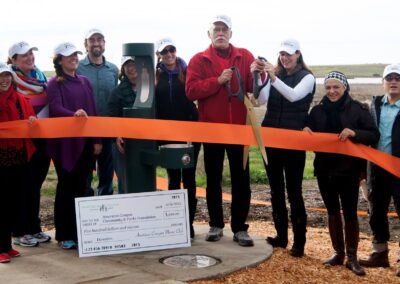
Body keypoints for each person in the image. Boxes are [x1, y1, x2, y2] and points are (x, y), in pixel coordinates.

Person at [186, 15, 255, 246]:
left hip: (239, 131)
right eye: (216, 29)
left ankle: (239, 228)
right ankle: (216, 225)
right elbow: (191, 91)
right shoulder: (198, 60)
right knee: (213, 179)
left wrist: (261, 73)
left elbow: (254, 87)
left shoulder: (245, 56)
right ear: (209, 34)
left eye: (224, 29)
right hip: (211, 131)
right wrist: (216, 81)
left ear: (231, 34)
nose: (220, 33)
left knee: (241, 180)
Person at [304, 71, 379, 276]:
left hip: (349, 171)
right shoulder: (317, 111)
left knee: (350, 211)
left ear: (345, 88)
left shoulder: (358, 110)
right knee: (331, 211)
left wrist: (355, 133)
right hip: (324, 170)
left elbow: (374, 135)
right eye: (328, 87)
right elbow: (308, 130)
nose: (332, 91)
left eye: (336, 87)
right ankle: (338, 253)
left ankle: (352, 257)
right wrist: (306, 130)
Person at [251, 38, 315, 256]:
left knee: (294, 191)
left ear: (298, 54)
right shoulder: (273, 76)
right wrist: (258, 77)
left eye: (288, 54)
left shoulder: (307, 77)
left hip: (293, 140)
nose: (284, 58)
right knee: (275, 190)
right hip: (271, 138)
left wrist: (273, 77)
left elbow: (294, 96)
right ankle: (281, 236)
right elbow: (259, 101)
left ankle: (299, 241)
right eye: (281, 54)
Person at [47, 42, 102, 249]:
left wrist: (97, 139)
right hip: (66, 145)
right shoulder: (54, 83)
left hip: (86, 143)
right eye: (69, 56)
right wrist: (74, 115)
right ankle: (64, 234)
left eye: (75, 55)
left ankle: (80, 232)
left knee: (82, 187)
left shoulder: (85, 81)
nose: (74, 58)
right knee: (66, 188)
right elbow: (55, 107)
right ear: (59, 60)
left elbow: (93, 111)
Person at [155, 37, 200, 240]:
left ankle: (188, 224)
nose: (169, 55)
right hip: (166, 135)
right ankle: (176, 223)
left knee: (189, 179)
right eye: (164, 52)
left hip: (190, 132)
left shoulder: (188, 70)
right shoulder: (155, 75)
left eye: (171, 50)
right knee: (173, 179)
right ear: (159, 55)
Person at [7, 41, 51, 247]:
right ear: (14, 60)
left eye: (31, 53)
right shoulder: (10, 80)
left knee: (35, 185)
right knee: (22, 187)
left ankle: (34, 227)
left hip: (42, 139)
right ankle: (19, 230)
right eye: (24, 55)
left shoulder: (41, 78)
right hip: (21, 143)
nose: (30, 57)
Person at [359, 63, 400, 277]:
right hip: (376, 168)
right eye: (389, 77)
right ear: (383, 82)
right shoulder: (374, 105)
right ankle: (379, 253)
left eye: (397, 77)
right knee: (376, 213)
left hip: (399, 169)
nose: (393, 81)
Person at [0, 62, 36, 263]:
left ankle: (7, 245)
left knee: (14, 201)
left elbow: (32, 125)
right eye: (0, 77)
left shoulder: (21, 99)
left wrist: (32, 122)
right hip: (1, 158)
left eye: (7, 76)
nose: (4, 80)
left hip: (19, 157)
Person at [77, 28, 118, 196]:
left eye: (99, 39)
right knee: (84, 173)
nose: (96, 43)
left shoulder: (113, 69)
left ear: (104, 44)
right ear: (85, 45)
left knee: (107, 172)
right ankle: (86, 209)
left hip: (107, 128)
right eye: (92, 40)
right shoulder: (77, 68)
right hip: (84, 129)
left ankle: (105, 206)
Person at [108, 55, 137, 193]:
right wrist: (116, 136)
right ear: (123, 70)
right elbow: (111, 117)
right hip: (123, 145)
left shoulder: (150, 90)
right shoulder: (117, 92)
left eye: (134, 64)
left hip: (144, 142)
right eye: (128, 65)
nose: (132, 68)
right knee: (124, 181)